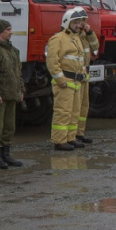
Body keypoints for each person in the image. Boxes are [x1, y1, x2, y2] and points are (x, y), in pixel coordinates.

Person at [0, 19, 24, 169]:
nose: (11, 32)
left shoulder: (13, 50)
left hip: (11, 95)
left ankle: (6, 154)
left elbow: (17, 72)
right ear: (0, 31)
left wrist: (20, 90)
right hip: (0, 96)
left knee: (9, 126)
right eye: (8, 29)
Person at [46, 8, 86, 151]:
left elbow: (79, 60)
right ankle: (59, 141)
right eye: (75, 22)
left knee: (74, 112)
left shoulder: (76, 38)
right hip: (65, 82)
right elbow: (52, 61)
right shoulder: (58, 39)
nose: (78, 25)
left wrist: (83, 73)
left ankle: (70, 138)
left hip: (76, 82)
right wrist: (60, 79)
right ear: (67, 22)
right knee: (63, 112)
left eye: (79, 22)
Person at [75, 8, 98, 144]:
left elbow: (95, 47)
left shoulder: (85, 35)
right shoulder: (74, 36)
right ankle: (73, 135)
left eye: (85, 20)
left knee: (84, 106)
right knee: (76, 106)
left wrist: (90, 33)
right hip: (77, 74)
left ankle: (80, 133)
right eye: (81, 20)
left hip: (85, 74)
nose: (84, 23)